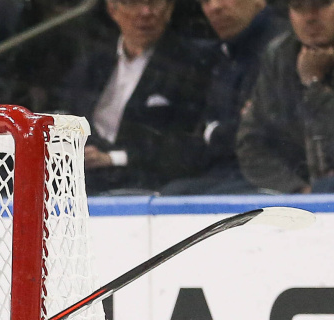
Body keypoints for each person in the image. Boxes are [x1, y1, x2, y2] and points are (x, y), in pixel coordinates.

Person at [54, 0, 214, 194]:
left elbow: (187, 144)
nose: (145, 12)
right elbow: (69, 112)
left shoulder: (191, 63)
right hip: (84, 175)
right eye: (133, 3)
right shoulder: (93, 62)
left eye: (155, 3)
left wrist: (113, 158)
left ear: (169, 9)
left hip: (144, 180)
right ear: (113, 9)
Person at [160, 0, 288, 194]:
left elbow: (260, 134)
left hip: (266, 176)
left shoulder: (280, 48)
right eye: (205, 1)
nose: (214, 7)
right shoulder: (224, 51)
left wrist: (211, 134)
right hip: (223, 174)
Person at [236, 0, 334, 194]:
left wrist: (313, 84)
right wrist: (297, 190)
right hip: (293, 190)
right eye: (298, 7)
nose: (309, 17)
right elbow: (251, 144)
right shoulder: (279, 55)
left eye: (321, 4)